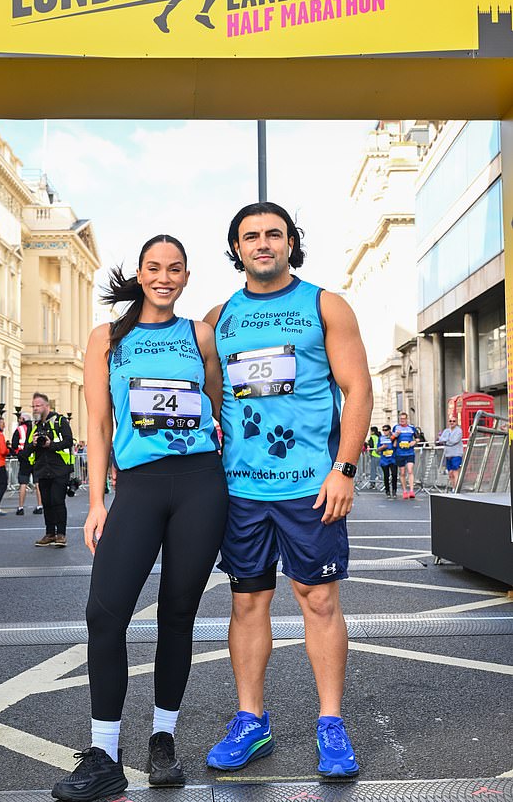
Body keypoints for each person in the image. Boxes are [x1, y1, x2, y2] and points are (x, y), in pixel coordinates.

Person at [52, 235, 228, 802]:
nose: (165, 277)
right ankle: (104, 754)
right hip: (139, 487)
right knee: (104, 615)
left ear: (185, 277)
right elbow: (99, 424)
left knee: (178, 613)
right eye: (155, 268)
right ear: (140, 275)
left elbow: (215, 404)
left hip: (200, 483)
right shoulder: (107, 339)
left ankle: (163, 741)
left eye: (175, 269)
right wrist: (98, 499)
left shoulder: (199, 335)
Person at [204, 202, 372, 779]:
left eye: (274, 234)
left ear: (292, 242)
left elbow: (358, 389)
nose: (263, 243)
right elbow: (207, 400)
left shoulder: (325, 304)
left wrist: (344, 469)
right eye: (250, 236)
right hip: (241, 489)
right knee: (247, 601)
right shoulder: (219, 316)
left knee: (319, 600)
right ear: (237, 249)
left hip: (310, 486)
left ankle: (331, 724)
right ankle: (252, 721)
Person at [23, 393, 73, 547]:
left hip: (59, 468)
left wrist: (50, 445)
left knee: (58, 501)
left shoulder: (60, 421)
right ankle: (49, 533)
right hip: (41, 469)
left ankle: (61, 534)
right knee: (47, 503)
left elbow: (69, 441)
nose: (35, 408)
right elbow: (25, 451)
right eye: (33, 406)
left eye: (38, 405)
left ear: (47, 406)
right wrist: (33, 443)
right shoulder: (32, 425)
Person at [11, 411, 43, 516]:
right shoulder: (35, 428)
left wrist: (19, 453)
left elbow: (14, 445)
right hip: (35, 458)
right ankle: (39, 506)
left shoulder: (19, 429)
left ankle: (20, 507)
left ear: (23, 419)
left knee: (23, 483)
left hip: (24, 458)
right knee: (37, 483)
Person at [391, 412, 418, 499]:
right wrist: (396, 435)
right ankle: (404, 491)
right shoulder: (396, 427)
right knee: (402, 472)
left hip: (410, 452)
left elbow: (418, 437)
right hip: (400, 453)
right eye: (401, 419)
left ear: (407, 419)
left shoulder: (411, 428)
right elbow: (391, 439)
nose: (402, 420)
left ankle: (411, 491)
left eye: (403, 419)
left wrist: (415, 441)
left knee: (410, 470)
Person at [437, 415, 463, 489]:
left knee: (455, 471)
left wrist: (446, 440)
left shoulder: (459, 431)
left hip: (456, 454)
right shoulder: (446, 431)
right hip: (448, 454)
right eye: (450, 421)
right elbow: (441, 440)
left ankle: (456, 489)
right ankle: (453, 487)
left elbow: (454, 441)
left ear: (456, 422)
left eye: (454, 421)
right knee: (450, 473)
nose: (452, 422)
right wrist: (446, 440)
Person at [378, 424, 397, 498]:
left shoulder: (393, 437)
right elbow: (377, 450)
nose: (384, 432)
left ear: (389, 430)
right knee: (386, 475)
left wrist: (394, 440)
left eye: (386, 430)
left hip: (393, 459)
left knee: (394, 475)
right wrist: (382, 447)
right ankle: (387, 491)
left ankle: (394, 490)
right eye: (383, 430)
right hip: (384, 460)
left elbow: (396, 446)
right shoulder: (381, 438)